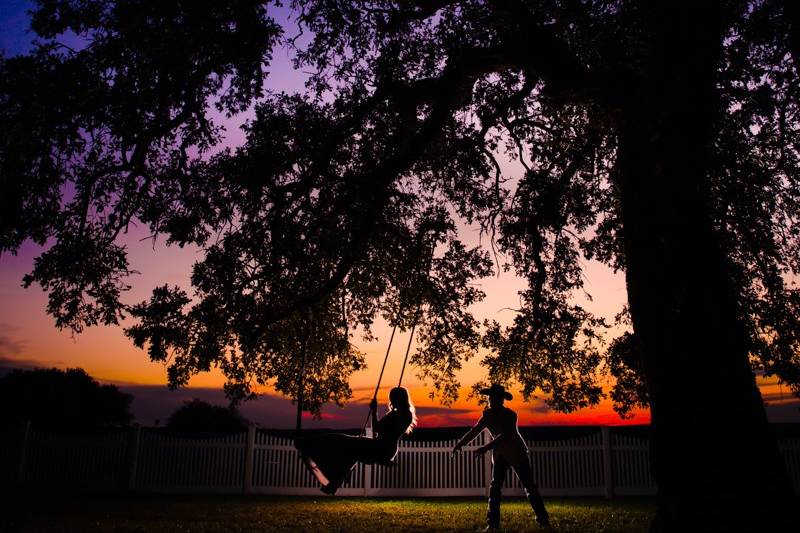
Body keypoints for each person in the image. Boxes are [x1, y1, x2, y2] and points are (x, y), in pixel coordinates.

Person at [452, 384, 550, 530]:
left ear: (501, 400)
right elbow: (475, 431)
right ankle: (492, 524)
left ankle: (543, 521)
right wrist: (460, 444)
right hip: (500, 455)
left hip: (517, 452)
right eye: (490, 397)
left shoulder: (511, 415)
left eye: (494, 397)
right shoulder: (487, 415)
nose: (491, 399)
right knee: (495, 488)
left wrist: (485, 448)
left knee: (529, 486)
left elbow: (505, 435)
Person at [295, 386, 416, 494]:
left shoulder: (403, 414)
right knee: (349, 451)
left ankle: (309, 444)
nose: (391, 401)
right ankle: (334, 482)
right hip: (382, 447)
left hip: (382, 448)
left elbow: (377, 429)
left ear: (399, 399)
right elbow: (381, 430)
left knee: (345, 442)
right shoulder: (399, 414)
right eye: (391, 398)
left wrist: (374, 411)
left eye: (393, 398)